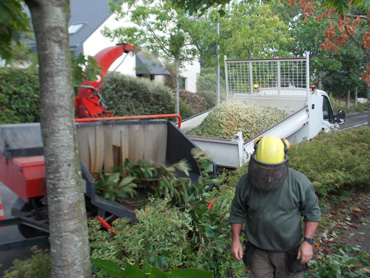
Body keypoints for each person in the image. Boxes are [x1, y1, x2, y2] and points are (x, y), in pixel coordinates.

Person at [229, 136, 321, 278]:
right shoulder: (245, 183)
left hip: (290, 251)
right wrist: (236, 240)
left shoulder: (299, 182)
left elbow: (312, 212)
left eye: (273, 169)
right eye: (262, 168)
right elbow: (237, 212)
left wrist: (308, 242)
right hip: (258, 251)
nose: (268, 174)